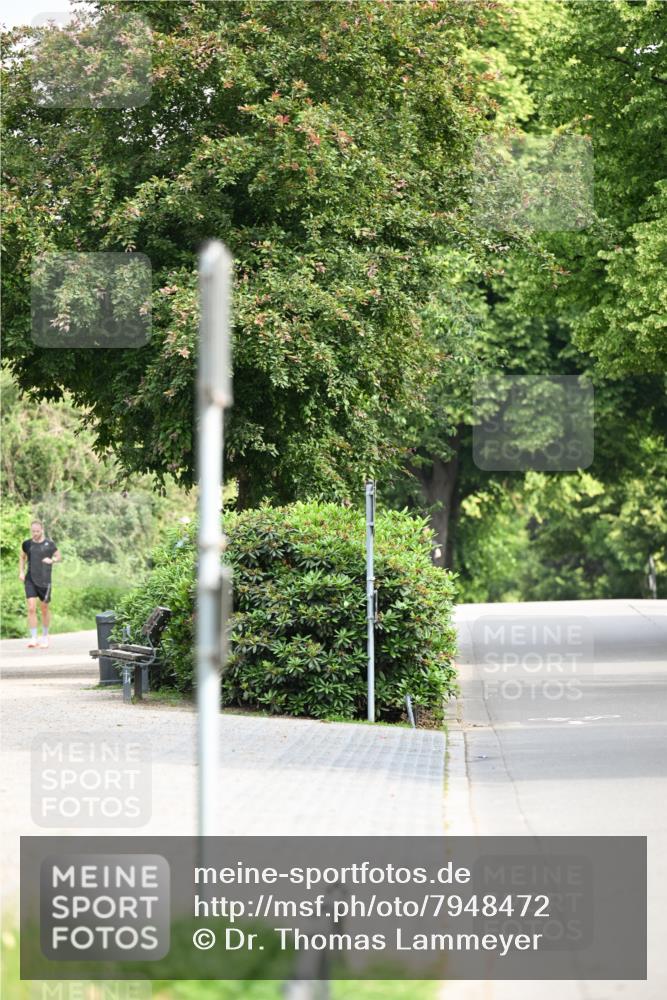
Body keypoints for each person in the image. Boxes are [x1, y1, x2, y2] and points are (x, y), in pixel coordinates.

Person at [18, 519, 61, 648]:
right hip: (30, 579)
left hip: (45, 581)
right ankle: (33, 638)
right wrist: (21, 571)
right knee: (31, 608)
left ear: (42, 530)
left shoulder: (50, 544)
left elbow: (59, 557)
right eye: (33, 531)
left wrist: (52, 560)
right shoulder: (27, 544)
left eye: (37, 531)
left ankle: (45, 636)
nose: (35, 533)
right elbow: (22, 557)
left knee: (44, 608)